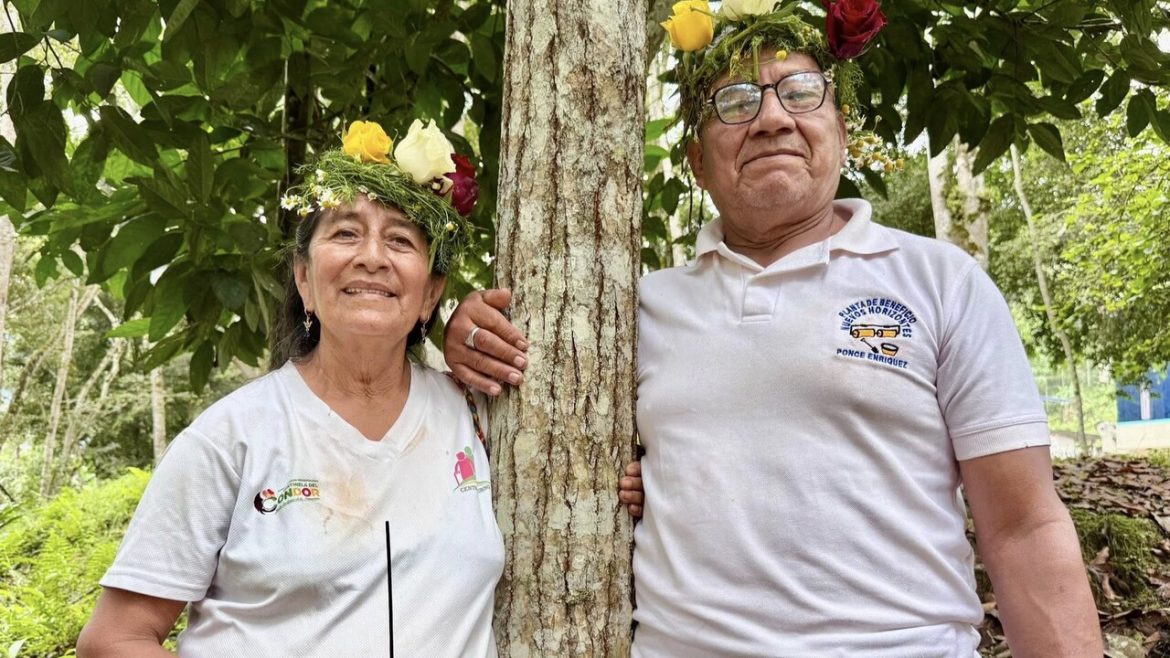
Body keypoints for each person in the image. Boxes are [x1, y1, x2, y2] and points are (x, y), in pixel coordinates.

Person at [443, 2, 1103, 656]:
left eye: (800, 92)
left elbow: (1023, 528)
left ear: (841, 132)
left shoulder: (940, 282)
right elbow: (520, 441)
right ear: (698, 165)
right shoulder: (634, 310)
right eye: (734, 101)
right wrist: (468, 335)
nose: (770, 119)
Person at [78, 118, 500, 656]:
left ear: (430, 293)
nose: (372, 256)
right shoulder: (233, 436)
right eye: (346, 233)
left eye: (400, 239)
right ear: (303, 279)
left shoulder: (478, 415)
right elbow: (114, 639)